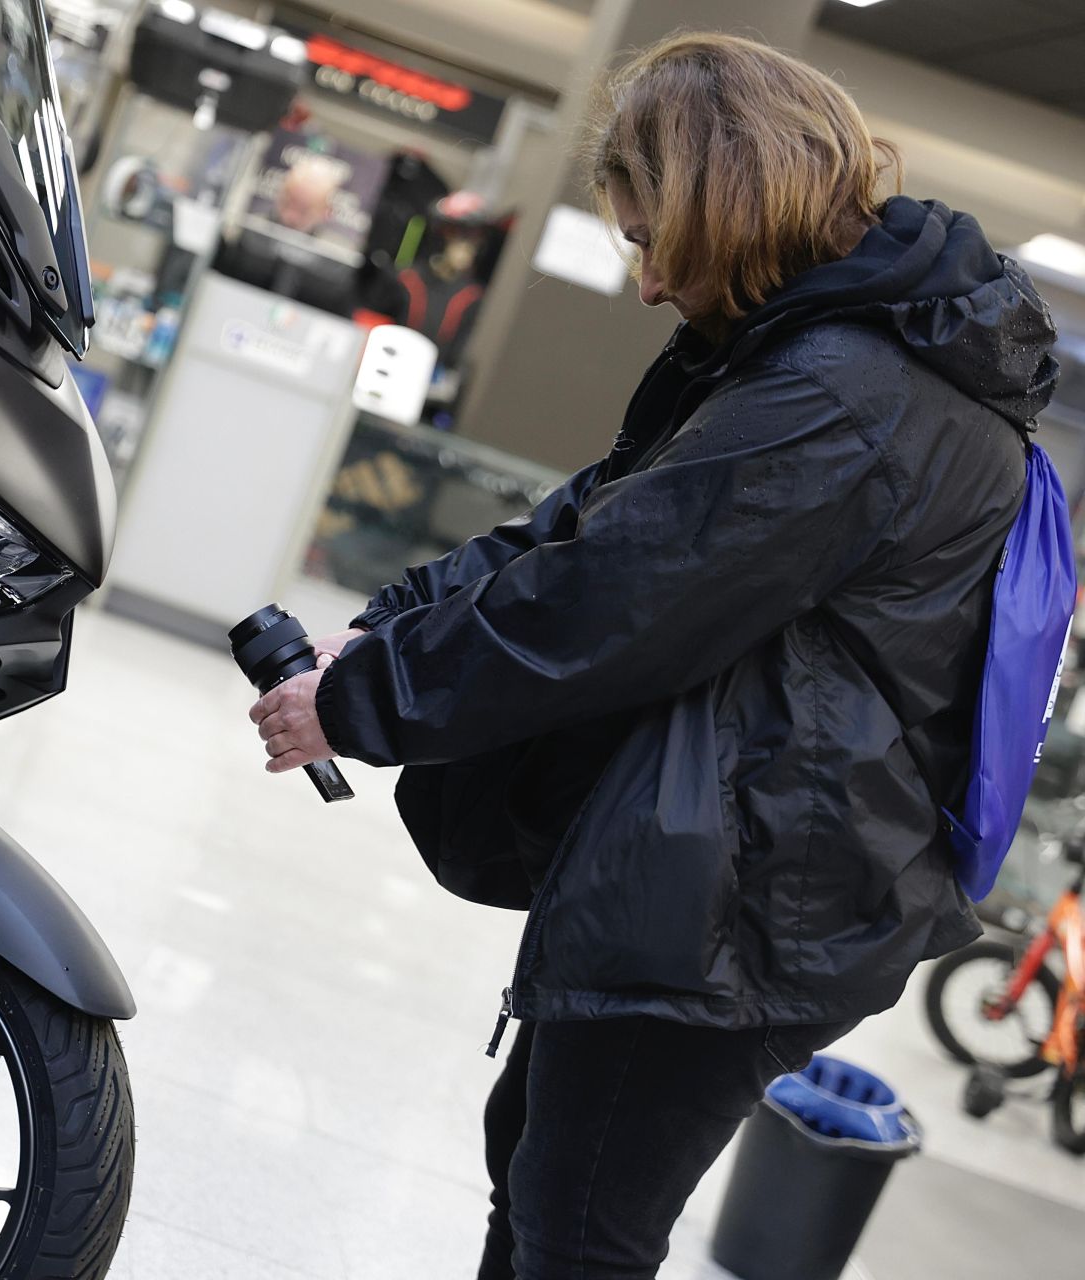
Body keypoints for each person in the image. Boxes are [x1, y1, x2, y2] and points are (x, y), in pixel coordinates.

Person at [247, 32, 1058, 1280]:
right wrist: (391, 621)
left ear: (721, 200)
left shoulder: (845, 394)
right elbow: (594, 519)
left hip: (749, 900)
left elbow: (608, 599)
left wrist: (359, 698)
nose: (640, 281)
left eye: (644, 236)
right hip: (743, 867)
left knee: (578, 1227)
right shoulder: (814, 358)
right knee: (540, 1161)